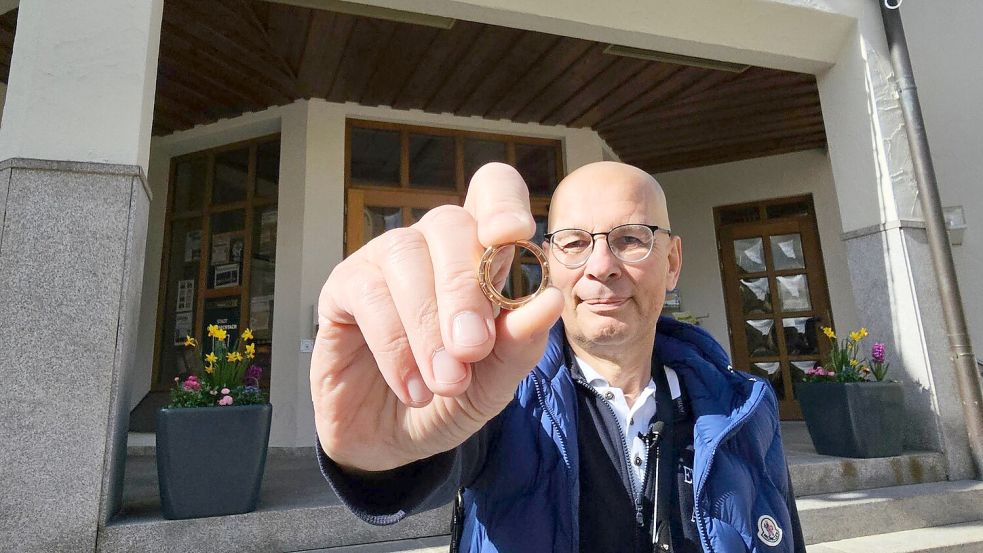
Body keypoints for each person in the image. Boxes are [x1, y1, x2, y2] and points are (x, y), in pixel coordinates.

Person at [311, 161, 805, 553]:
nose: (602, 267)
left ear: (672, 262)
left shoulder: (745, 406)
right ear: (547, 262)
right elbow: (429, 459)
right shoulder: (497, 401)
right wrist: (375, 460)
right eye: (574, 244)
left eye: (631, 238)